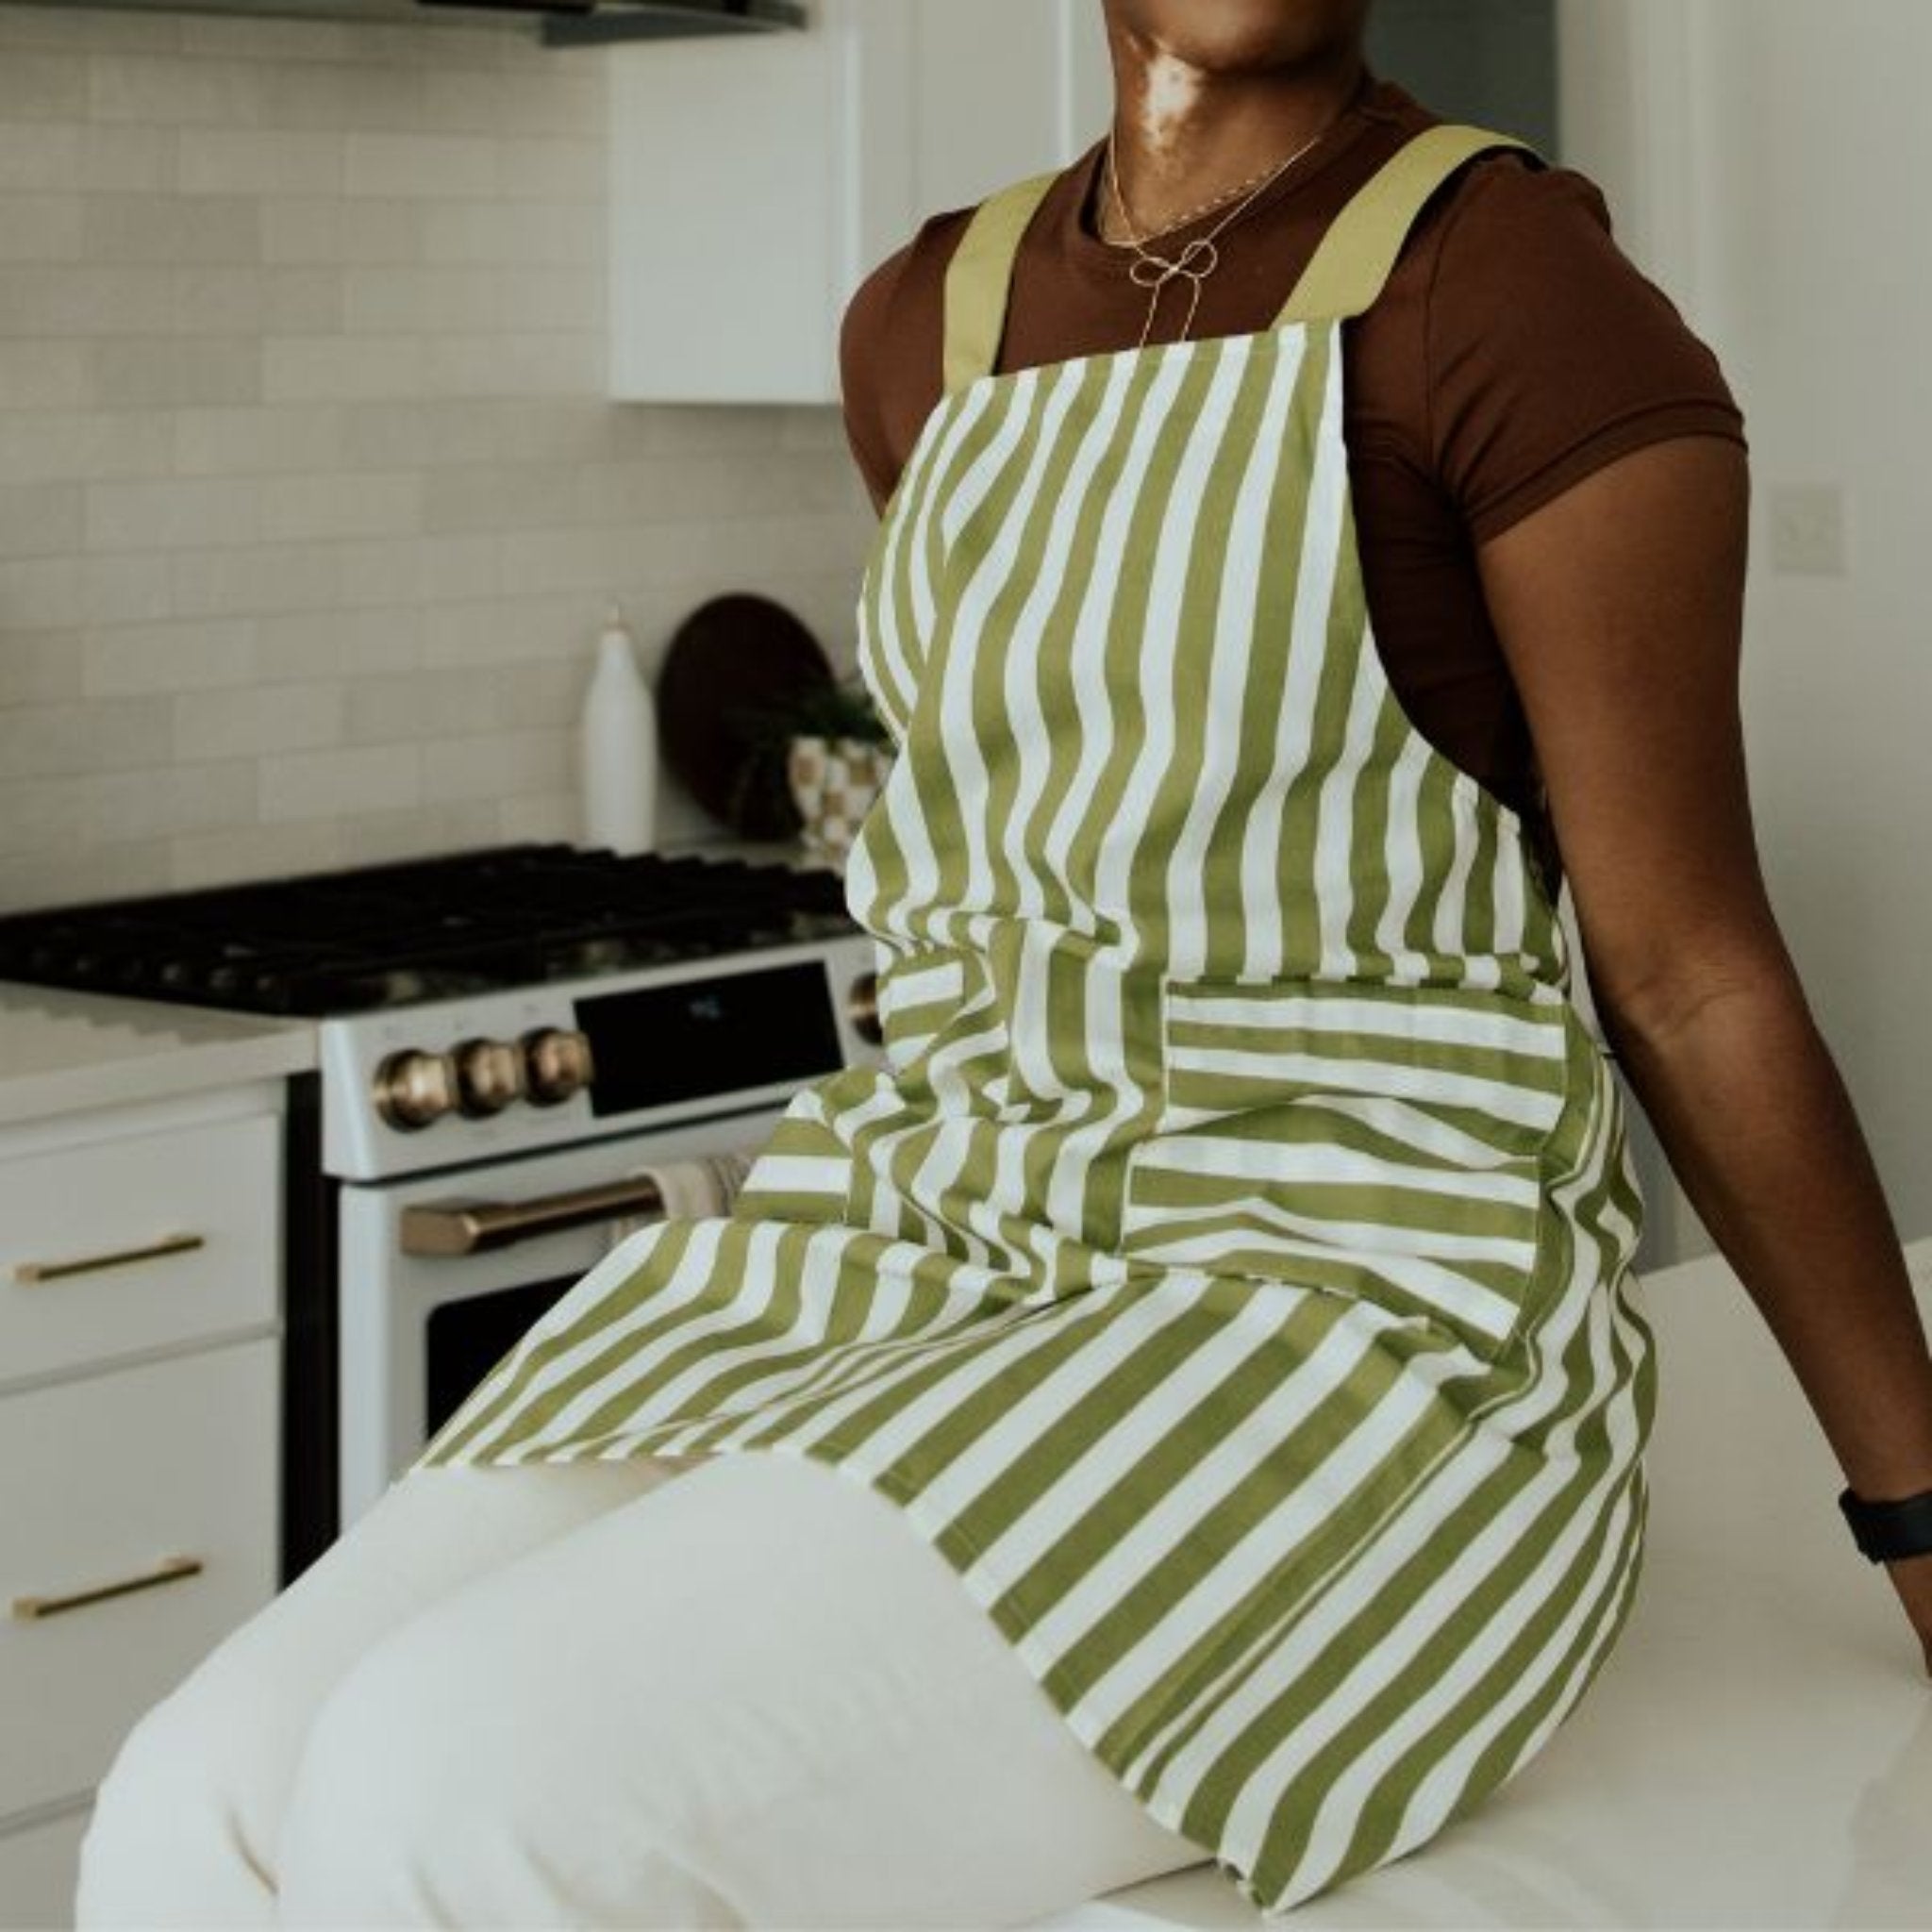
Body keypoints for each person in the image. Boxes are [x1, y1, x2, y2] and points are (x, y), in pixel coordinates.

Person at [78, 2, 1932, 1924]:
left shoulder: (1516, 293)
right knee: (194, 1800)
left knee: (468, 1789)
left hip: (1344, 1296)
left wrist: (1915, 1512)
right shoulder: (921, 322)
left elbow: (1686, 968)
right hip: (933, 1229)